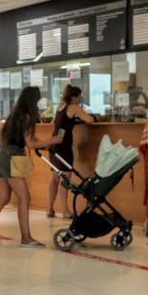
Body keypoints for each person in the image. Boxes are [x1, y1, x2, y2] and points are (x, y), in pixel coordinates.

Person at [0, 86, 59, 248]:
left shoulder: (17, 113)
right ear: (33, 100)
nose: (40, 101)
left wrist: (44, 144)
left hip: (2, 155)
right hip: (10, 158)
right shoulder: (27, 116)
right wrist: (52, 141)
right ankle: (26, 238)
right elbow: (31, 144)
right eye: (38, 98)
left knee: (3, 198)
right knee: (25, 197)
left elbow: (26, 138)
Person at [46, 85, 95, 218]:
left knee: (54, 179)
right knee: (65, 178)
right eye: (79, 96)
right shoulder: (74, 107)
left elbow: (54, 122)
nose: (80, 99)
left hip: (54, 143)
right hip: (63, 146)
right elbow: (89, 120)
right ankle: (65, 211)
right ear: (73, 97)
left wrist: (72, 121)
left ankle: (49, 210)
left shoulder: (61, 106)